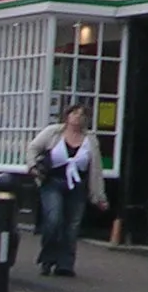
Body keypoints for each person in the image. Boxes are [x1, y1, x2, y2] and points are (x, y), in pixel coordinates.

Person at [29, 103, 107, 278]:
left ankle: (65, 264)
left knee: (72, 226)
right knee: (54, 219)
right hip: (52, 182)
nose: (78, 117)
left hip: (77, 186)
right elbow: (33, 147)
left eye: (82, 114)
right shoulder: (54, 132)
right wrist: (33, 167)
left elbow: (96, 169)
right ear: (67, 116)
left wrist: (99, 196)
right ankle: (47, 259)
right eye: (75, 113)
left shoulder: (90, 139)